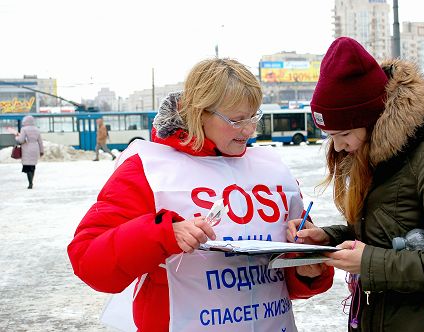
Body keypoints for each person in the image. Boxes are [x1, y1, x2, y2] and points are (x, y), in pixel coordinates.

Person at [68, 58, 334, 331]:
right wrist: (163, 234)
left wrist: (306, 270)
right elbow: (90, 262)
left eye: (254, 116)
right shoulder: (148, 168)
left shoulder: (272, 169)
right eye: (236, 119)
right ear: (199, 113)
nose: (249, 129)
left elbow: (287, 276)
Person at [288, 37, 424, 331]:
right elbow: (389, 230)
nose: (337, 147)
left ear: (372, 118)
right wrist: (328, 237)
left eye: (344, 132)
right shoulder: (377, 156)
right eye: (330, 135)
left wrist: (370, 263)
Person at [15, 115, 44, 189]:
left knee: (27, 166)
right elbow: (40, 141)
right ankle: (31, 182)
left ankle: (30, 183)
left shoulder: (24, 129)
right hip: (35, 148)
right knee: (32, 166)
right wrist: (41, 151)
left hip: (26, 149)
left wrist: (17, 137)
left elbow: (21, 140)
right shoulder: (36, 129)